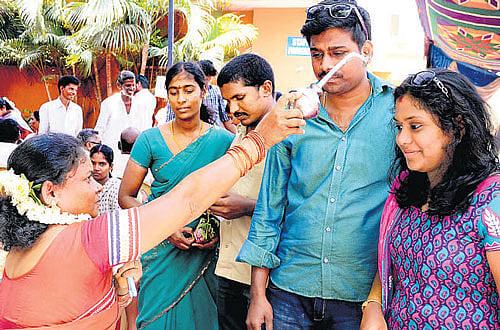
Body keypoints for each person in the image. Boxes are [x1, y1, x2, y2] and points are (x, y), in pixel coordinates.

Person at [0, 84, 306, 328]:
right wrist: (258, 141)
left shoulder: (21, 248)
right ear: (50, 193)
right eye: (86, 179)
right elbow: (186, 199)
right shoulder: (90, 238)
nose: (97, 186)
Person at [237, 1, 396, 329]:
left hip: (362, 299)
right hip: (288, 292)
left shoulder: (398, 112)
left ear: (365, 50)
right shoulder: (291, 115)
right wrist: (258, 295)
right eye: (316, 53)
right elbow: (270, 209)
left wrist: (378, 302)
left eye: (338, 53)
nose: (325, 65)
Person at [360, 69, 500, 329]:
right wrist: (374, 305)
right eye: (399, 127)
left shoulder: (491, 200)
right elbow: (391, 265)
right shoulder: (406, 189)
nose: (402, 139)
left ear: (456, 127)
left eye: (415, 126)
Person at [118, 61, 234, 329]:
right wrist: (166, 226)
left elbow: (231, 197)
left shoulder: (224, 142)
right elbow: (126, 196)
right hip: (161, 251)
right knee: (155, 321)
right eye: (173, 91)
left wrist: (214, 232)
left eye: (188, 90)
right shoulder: (149, 139)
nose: (181, 99)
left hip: (204, 253)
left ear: (204, 91)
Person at [211, 53, 278, 330]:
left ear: (265, 89)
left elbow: (297, 206)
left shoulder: (288, 135)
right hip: (228, 265)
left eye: (239, 98)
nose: (232, 108)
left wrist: (247, 207)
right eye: (227, 101)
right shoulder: (241, 133)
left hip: (264, 276)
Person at [94, 71, 152, 154]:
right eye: (128, 85)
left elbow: (146, 129)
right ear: (119, 85)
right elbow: (100, 128)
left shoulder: (142, 105)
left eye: (133, 85)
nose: (131, 88)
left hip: (134, 153)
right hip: (112, 153)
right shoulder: (109, 103)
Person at [198, 60, 237, 134]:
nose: (205, 79)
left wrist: (237, 137)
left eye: (208, 77)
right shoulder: (190, 94)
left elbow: (225, 118)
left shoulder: (216, 91)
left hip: (217, 133)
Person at [89, 144, 120, 215]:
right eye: (93, 163)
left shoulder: (116, 188)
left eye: (102, 164)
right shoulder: (84, 184)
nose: (96, 168)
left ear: (111, 166)